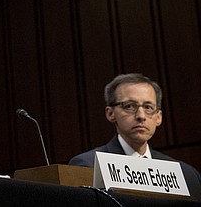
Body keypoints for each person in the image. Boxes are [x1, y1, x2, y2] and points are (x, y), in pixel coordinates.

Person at [69, 73, 201, 200]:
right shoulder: (87, 166)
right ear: (110, 113)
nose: (141, 116)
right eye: (129, 106)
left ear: (158, 117)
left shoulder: (186, 175)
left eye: (148, 107)